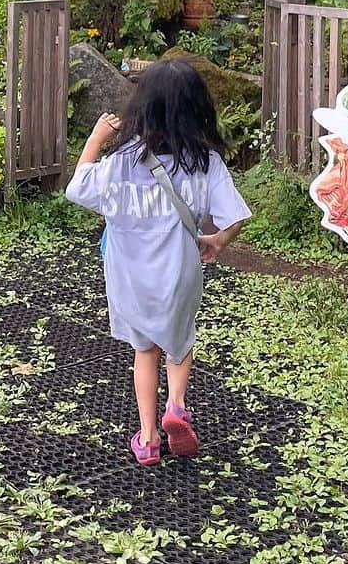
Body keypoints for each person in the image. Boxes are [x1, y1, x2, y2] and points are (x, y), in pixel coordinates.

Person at [66, 58, 250, 467]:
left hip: (129, 277)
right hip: (179, 272)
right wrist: (217, 241)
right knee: (179, 343)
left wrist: (96, 138)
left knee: (144, 350)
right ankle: (176, 406)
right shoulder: (206, 163)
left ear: (142, 108)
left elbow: (77, 188)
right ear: (197, 108)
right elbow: (235, 217)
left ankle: (148, 439)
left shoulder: (121, 164)